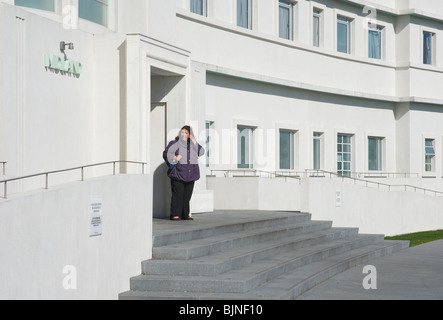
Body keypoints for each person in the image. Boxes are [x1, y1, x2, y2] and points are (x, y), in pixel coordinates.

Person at [163, 125, 205, 221]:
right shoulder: (174, 143)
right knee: (177, 195)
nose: (183, 134)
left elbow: (202, 152)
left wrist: (194, 141)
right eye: (182, 132)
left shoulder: (193, 145)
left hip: (191, 174)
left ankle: (185, 214)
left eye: (186, 133)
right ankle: (175, 215)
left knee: (187, 196)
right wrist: (174, 158)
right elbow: (166, 153)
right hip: (178, 173)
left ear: (190, 135)